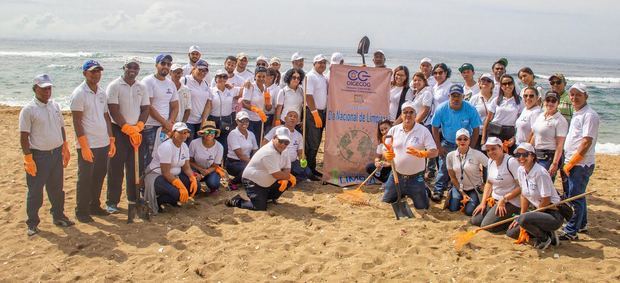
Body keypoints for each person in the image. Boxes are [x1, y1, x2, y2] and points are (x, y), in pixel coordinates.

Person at [19, 74, 74, 235]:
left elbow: (61, 127)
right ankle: (32, 223)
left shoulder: (55, 106)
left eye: (49, 88)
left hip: (56, 153)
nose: (47, 91)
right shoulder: (28, 110)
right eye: (43, 89)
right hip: (39, 156)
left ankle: (58, 216)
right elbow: (24, 137)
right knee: (36, 191)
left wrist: (64, 147)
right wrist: (28, 158)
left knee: (57, 189)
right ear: (35, 89)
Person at [70, 60, 115, 223]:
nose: (96, 74)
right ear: (85, 74)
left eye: (98, 71)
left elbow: (106, 117)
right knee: (85, 178)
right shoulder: (79, 93)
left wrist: (111, 139)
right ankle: (81, 210)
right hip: (87, 144)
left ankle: (94, 205)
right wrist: (83, 145)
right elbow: (76, 121)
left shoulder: (102, 93)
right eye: (92, 72)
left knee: (99, 176)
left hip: (102, 142)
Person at [105, 58, 150, 214]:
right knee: (115, 168)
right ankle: (112, 202)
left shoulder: (141, 87)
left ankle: (133, 198)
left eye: (136, 67)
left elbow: (145, 109)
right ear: (123, 67)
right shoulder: (114, 86)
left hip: (137, 132)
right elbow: (113, 109)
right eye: (129, 67)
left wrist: (139, 126)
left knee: (135, 168)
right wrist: (125, 127)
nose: (132, 70)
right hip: (119, 130)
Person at [560, 83, 599, 240]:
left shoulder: (589, 115)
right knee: (576, 195)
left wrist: (573, 161)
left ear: (586, 96)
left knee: (575, 197)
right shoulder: (578, 113)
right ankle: (581, 224)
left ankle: (571, 231)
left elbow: (586, 142)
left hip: (581, 164)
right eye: (572, 95)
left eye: (578, 95)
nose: (574, 97)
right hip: (572, 161)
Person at [430, 84, 482, 202]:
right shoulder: (441, 108)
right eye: (453, 96)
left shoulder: (470, 108)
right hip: (447, 142)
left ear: (463, 96)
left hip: (464, 143)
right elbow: (434, 126)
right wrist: (438, 146)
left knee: (463, 167)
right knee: (444, 167)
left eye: (458, 96)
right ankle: (438, 190)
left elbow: (476, 129)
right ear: (449, 96)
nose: (456, 98)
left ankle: (455, 189)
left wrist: (471, 148)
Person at [382, 102, 438, 209]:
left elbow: (435, 151)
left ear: (415, 115)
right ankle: (403, 192)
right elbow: (385, 148)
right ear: (401, 115)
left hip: (416, 178)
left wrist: (423, 153)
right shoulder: (394, 130)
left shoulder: (423, 131)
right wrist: (386, 154)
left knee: (422, 206)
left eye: (411, 112)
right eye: (405, 112)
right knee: (386, 201)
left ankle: (423, 189)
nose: (408, 115)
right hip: (396, 176)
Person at [506, 143, 562, 250]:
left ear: (532, 156)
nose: (521, 158)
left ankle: (544, 238)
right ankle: (548, 232)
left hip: (552, 213)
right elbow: (524, 194)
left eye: (525, 154)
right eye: (518, 155)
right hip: (539, 211)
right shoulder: (520, 170)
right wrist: (522, 215)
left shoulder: (540, 173)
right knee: (511, 233)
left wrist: (526, 218)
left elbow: (546, 200)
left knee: (523, 220)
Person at [226, 127, 296, 211]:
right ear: (274, 138)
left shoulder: (285, 149)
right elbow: (277, 175)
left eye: (286, 142)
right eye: (281, 141)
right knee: (259, 207)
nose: (283, 144)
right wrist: (287, 176)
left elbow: (287, 167)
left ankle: (267, 198)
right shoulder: (269, 152)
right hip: (253, 181)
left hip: (267, 181)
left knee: (288, 180)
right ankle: (236, 201)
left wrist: (286, 177)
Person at [144, 122, 198, 213]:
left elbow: (186, 167)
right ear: (173, 133)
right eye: (180, 132)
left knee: (196, 187)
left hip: (173, 175)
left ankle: (171, 199)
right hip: (157, 176)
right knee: (177, 193)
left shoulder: (184, 146)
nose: (184, 135)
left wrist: (192, 178)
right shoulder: (167, 147)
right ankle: (158, 201)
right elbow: (166, 173)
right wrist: (180, 186)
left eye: (186, 132)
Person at [471, 137, 522, 232]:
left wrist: (504, 199)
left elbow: (522, 187)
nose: (490, 152)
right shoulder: (490, 161)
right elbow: (489, 183)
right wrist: (483, 202)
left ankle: (513, 217)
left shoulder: (510, 162)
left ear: (501, 148)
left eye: (493, 149)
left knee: (487, 226)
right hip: (495, 199)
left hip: (510, 201)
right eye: (488, 150)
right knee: (475, 220)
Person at [141, 54, 179, 168]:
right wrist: (165, 122)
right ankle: (145, 183)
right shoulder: (148, 81)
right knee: (150, 156)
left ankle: (158, 181)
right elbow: (149, 107)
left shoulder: (170, 83)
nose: (166, 66)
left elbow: (175, 106)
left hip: (165, 127)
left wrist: (171, 122)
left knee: (162, 155)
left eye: (168, 64)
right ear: (156, 65)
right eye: (163, 63)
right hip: (150, 125)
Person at [446, 129, 488, 215]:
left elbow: (490, 165)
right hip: (459, 187)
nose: (462, 141)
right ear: (456, 141)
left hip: (474, 188)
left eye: (465, 139)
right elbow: (452, 178)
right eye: (459, 139)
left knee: (469, 212)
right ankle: (459, 198)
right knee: (453, 209)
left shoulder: (477, 154)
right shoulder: (450, 156)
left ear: (469, 140)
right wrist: (462, 193)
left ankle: (469, 200)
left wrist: (485, 182)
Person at [263, 108, 313, 181]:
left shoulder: (299, 135)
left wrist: (302, 158)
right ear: (285, 118)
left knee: (307, 172)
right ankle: (284, 177)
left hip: (292, 162)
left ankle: (286, 177)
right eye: (290, 116)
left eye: (295, 117)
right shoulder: (276, 129)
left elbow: (300, 151)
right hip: (277, 161)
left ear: (297, 121)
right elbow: (264, 142)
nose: (292, 118)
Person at [530, 91, 568, 180]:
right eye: (548, 100)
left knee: (544, 182)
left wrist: (554, 163)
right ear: (544, 101)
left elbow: (560, 144)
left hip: (549, 157)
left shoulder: (560, 120)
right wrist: (528, 151)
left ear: (558, 103)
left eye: (553, 101)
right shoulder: (540, 116)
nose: (550, 103)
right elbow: (534, 135)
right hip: (536, 154)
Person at [482, 74, 524, 153]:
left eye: (510, 83)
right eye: (504, 84)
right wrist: (483, 139)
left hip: (509, 134)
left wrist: (514, 138)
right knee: (492, 157)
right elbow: (487, 120)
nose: (507, 85)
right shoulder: (496, 100)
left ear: (513, 84)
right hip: (494, 132)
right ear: (501, 86)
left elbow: (520, 123)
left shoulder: (519, 101)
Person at [305, 54, 329, 178]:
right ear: (314, 64)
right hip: (312, 112)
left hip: (322, 112)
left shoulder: (323, 77)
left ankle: (312, 168)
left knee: (317, 141)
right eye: (319, 62)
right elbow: (308, 96)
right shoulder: (311, 76)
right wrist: (315, 114)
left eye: (324, 63)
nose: (322, 65)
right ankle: (308, 171)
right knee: (312, 142)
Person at [209, 70, 241, 157]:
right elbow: (207, 106)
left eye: (224, 77)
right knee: (211, 141)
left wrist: (248, 82)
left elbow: (244, 89)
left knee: (224, 143)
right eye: (219, 77)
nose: (222, 79)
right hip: (213, 119)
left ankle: (222, 164)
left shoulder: (231, 90)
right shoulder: (210, 90)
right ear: (215, 79)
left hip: (226, 119)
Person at [189, 121, 225, 194]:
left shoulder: (219, 146)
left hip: (211, 169)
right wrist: (200, 170)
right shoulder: (194, 143)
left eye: (212, 131)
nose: (209, 134)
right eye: (207, 131)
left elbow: (216, 165)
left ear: (215, 133)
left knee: (213, 184)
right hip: (196, 169)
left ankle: (213, 186)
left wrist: (207, 171)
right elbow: (190, 161)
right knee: (194, 189)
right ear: (202, 133)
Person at [226, 111, 258, 187]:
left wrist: (256, 161)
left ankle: (244, 179)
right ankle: (233, 182)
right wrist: (254, 164)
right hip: (233, 163)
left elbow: (255, 150)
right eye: (241, 121)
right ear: (237, 121)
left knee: (253, 169)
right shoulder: (233, 134)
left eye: (246, 121)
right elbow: (240, 155)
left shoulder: (251, 134)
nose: (244, 123)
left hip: (246, 162)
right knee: (249, 169)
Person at [183, 59, 212, 141]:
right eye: (200, 69)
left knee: (196, 148)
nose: (202, 72)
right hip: (186, 121)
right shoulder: (185, 80)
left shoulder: (206, 84)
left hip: (199, 123)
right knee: (186, 147)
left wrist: (204, 121)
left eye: (205, 71)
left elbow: (208, 103)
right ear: (194, 69)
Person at [241, 66, 270, 142]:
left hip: (259, 120)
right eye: (259, 76)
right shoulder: (250, 86)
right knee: (249, 141)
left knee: (258, 141)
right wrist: (256, 110)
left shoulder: (266, 88)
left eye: (263, 76)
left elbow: (268, 108)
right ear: (255, 76)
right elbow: (244, 103)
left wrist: (268, 102)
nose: (261, 78)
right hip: (249, 119)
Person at [468, 73, 496, 150]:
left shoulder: (497, 98)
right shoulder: (474, 99)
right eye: (483, 80)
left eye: (488, 81)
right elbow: (469, 117)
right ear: (479, 83)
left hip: (493, 134)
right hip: (477, 133)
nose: (485, 82)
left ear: (492, 85)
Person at [365, 120, 392, 186]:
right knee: (369, 167)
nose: (384, 131)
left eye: (386, 128)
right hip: (386, 167)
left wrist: (389, 164)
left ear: (391, 127)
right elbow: (378, 157)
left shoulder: (397, 140)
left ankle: (391, 182)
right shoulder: (381, 144)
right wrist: (377, 162)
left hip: (396, 167)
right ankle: (387, 181)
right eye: (382, 130)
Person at [264, 67, 281, 131]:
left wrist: (275, 122)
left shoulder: (277, 89)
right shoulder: (261, 86)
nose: (264, 77)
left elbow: (277, 107)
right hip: (259, 115)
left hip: (270, 116)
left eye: (266, 75)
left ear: (272, 77)